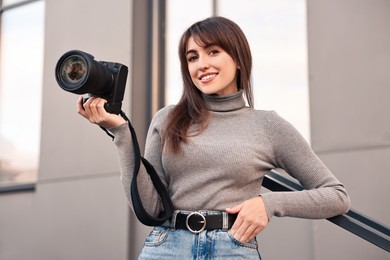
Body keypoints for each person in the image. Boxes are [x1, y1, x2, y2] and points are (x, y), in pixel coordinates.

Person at [77, 16, 351, 259]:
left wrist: (269, 203)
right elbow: (149, 207)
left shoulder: (268, 125)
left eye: (213, 52)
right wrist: (121, 132)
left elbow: (336, 196)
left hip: (232, 247)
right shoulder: (167, 118)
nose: (202, 65)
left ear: (238, 58)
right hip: (166, 246)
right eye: (192, 57)